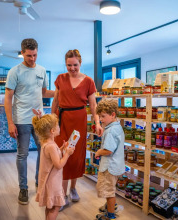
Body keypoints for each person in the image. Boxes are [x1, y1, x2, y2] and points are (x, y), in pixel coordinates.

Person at [51, 49, 103, 210]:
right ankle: (62, 195)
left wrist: (97, 122)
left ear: (80, 63)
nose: (72, 68)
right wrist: (53, 122)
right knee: (62, 154)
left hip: (79, 119)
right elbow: (55, 102)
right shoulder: (60, 78)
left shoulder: (88, 81)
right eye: (69, 65)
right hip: (62, 119)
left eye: (75, 65)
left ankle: (73, 188)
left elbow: (93, 105)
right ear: (65, 64)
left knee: (75, 155)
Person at [4, 38, 54, 205]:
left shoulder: (42, 70)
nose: (32, 59)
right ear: (22, 53)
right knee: (22, 154)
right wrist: (10, 123)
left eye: (34, 55)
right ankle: (23, 188)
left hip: (39, 120)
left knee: (44, 151)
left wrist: (63, 91)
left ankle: (40, 182)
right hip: (22, 120)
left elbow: (44, 93)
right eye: (28, 56)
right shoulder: (14, 72)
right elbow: (8, 98)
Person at [32, 113, 75, 220]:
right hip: (52, 182)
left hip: (48, 181)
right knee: (56, 206)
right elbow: (58, 164)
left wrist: (61, 148)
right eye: (58, 126)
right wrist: (67, 154)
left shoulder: (47, 143)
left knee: (49, 206)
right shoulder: (51, 146)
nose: (59, 127)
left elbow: (53, 157)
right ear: (52, 130)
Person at [94, 99, 125, 220]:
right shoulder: (116, 126)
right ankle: (112, 206)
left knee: (109, 191)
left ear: (113, 115)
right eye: (100, 116)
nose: (101, 119)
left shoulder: (111, 131)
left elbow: (108, 150)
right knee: (111, 188)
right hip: (116, 165)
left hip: (110, 167)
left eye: (103, 116)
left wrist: (99, 151)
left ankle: (110, 215)